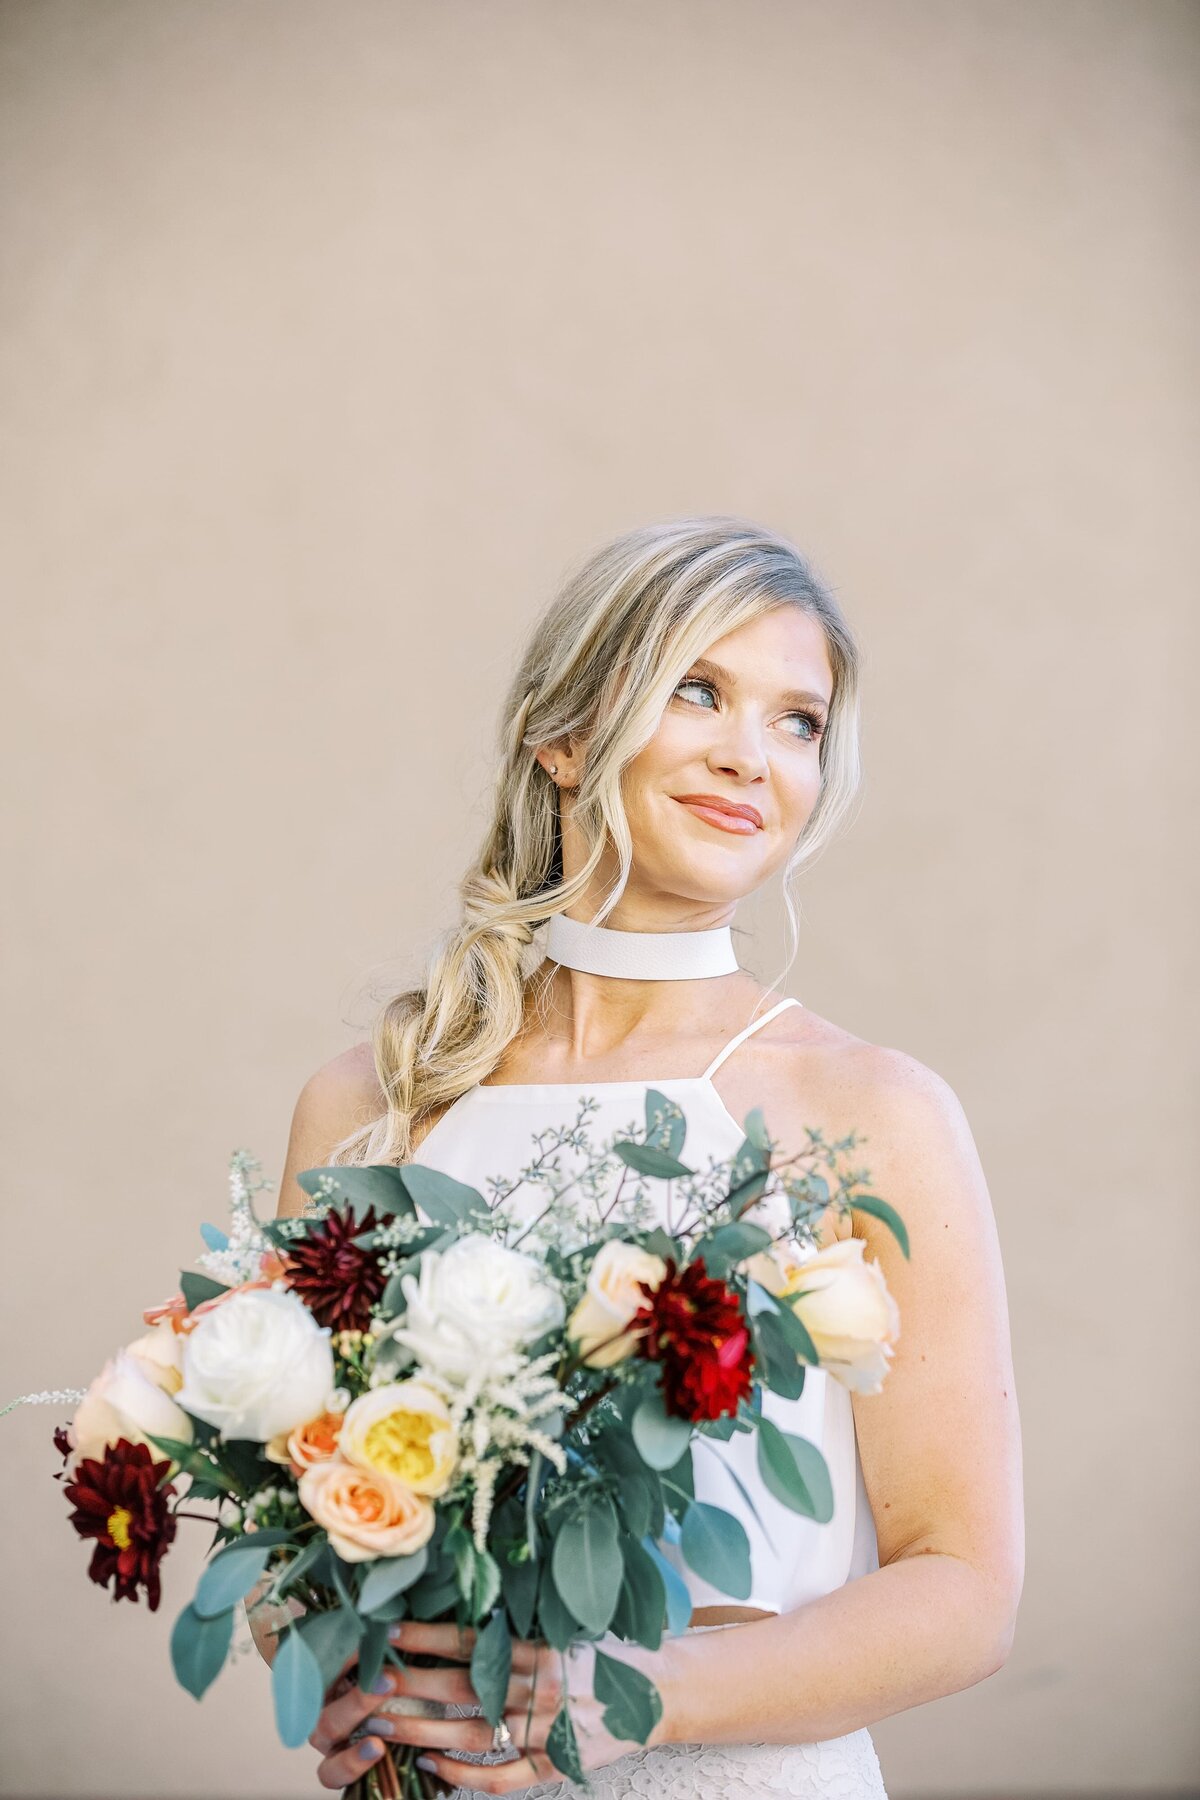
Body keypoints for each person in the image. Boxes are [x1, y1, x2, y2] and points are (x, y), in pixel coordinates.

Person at [249, 516, 1025, 1796]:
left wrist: (626, 1704)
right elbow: (295, 1513)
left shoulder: (870, 1112)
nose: (750, 758)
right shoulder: (370, 1108)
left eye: (799, 721)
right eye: (698, 691)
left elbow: (966, 1587)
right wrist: (359, 1676)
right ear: (561, 738)